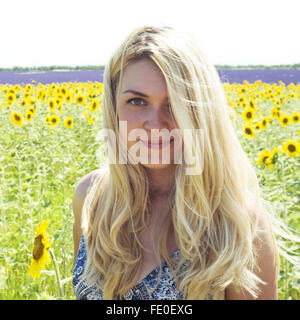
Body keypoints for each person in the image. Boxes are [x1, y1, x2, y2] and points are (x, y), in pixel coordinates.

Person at [72, 25, 283, 300]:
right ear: (113, 108)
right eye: (136, 101)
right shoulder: (91, 198)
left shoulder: (238, 223)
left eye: (175, 103)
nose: (156, 124)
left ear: (200, 111)